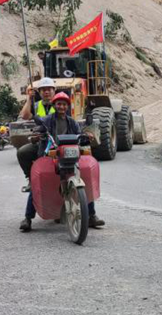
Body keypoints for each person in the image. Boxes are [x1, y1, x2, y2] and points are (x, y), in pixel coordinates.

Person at [19, 92, 105, 232]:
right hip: (50, 156)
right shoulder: (47, 120)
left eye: (64, 104)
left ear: (67, 106)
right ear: (55, 105)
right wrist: (38, 134)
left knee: (85, 180)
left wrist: (86, 135)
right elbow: (38, 125)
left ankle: (91, 216)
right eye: (59, 104)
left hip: (69, 156)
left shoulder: (72, 122)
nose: (61, 107)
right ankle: (27, 218)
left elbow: (79, 135)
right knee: (38, 184)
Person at [16, 77, 56, 192]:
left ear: (54, 90)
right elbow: (24, 116)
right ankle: (31, 179)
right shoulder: (36, 105)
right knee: (22, 152)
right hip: (42, 140)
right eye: (43, 90)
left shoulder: (60, 103)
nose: (46, 92)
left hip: (58, 141)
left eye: (49, 89)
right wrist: (29, 98)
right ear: (39, 92)